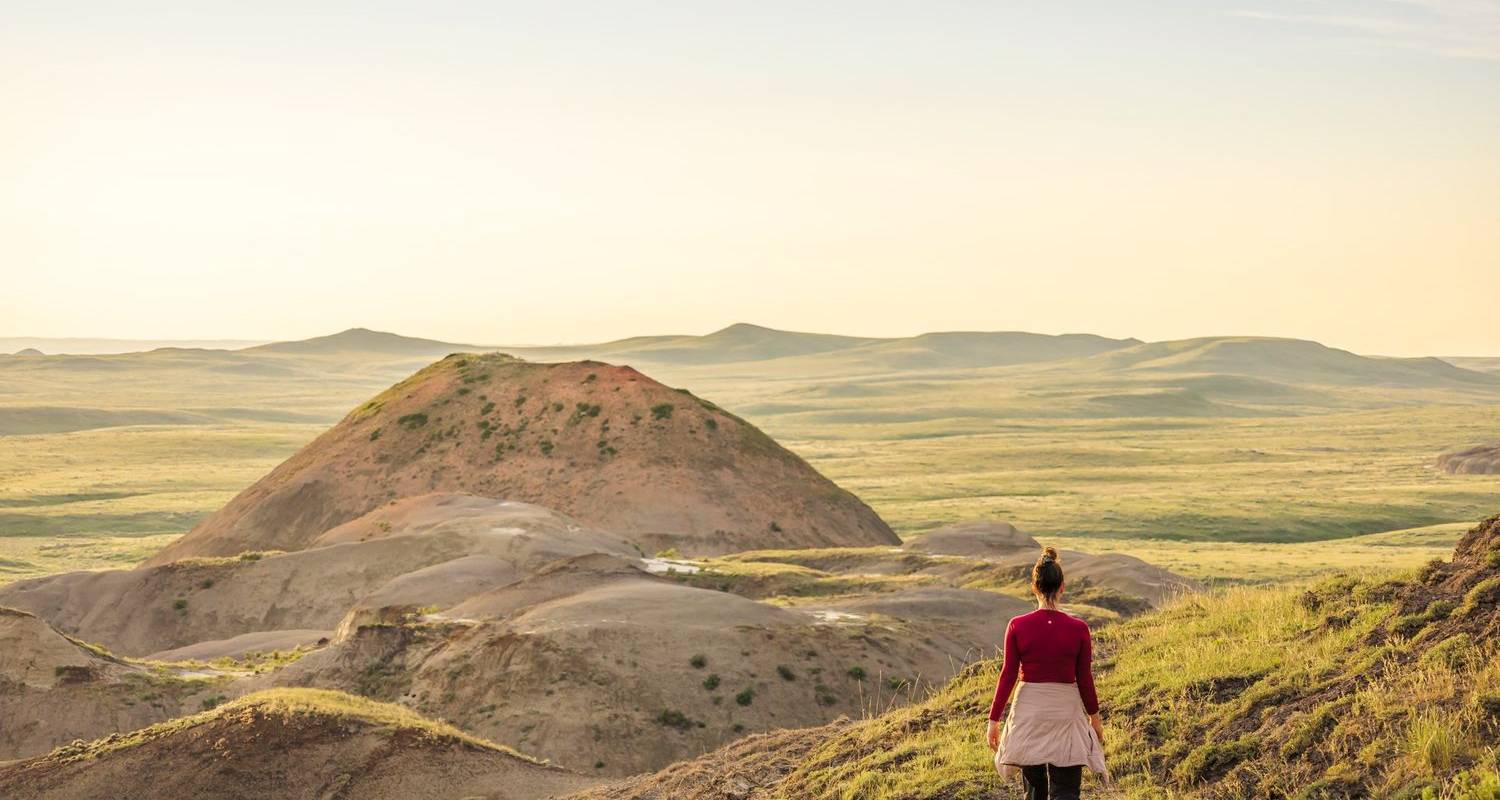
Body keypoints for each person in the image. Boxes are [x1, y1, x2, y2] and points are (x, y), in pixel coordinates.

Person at [984, 546, 1107, 800]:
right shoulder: (1079, 629)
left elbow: (1008, 675)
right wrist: (1095, 719)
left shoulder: (1018, 625)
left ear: (1034, 587)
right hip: (1066, 712)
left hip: (1030, 712)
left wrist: (993, 721)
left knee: (1034, 792)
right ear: (1062, 587)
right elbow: (1085, 679)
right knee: (1066, 791)